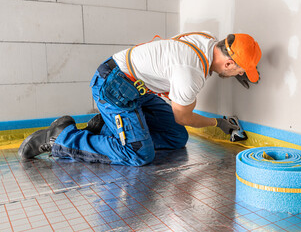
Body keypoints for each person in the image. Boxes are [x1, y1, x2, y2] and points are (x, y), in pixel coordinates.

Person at [18, 32, 262, 166]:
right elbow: (182, 116)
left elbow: (178, 123)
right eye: (239, 71)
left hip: (135, 87)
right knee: (139, 155)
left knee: (177, 137)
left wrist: (234, 71)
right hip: (114, 86)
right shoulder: (192, 74)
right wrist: (218, 123)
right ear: (229, 62)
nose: (240, 75)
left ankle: (107, 126)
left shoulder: (205, 41)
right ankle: (61, 137)